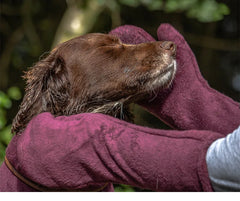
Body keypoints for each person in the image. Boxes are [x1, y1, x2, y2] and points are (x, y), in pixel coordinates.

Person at [0, 24, 239, 192]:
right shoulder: (40, 147)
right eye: (111, 49)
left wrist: (194, 103)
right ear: (63, 76)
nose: (167, 47)